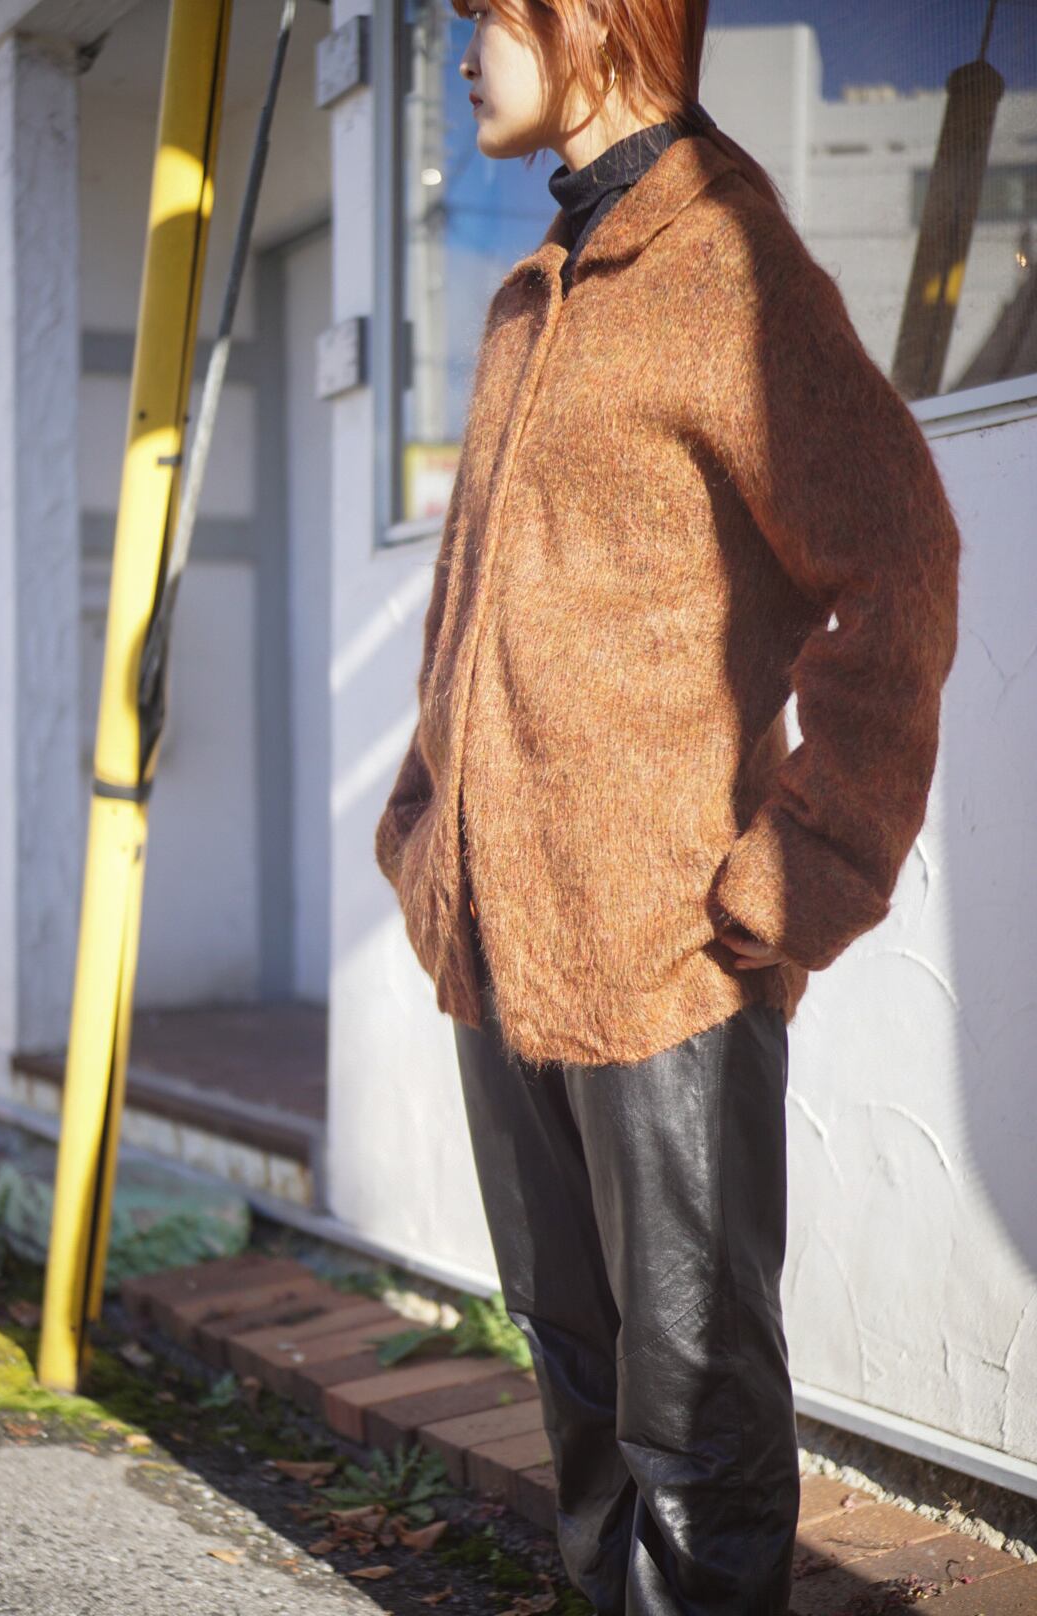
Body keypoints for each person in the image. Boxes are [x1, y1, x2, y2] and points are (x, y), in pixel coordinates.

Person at [374, 2, 961, 1611]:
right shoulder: (532, 294)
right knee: (576, 1380)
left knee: (692, 1421)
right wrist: (426, 822)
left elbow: (900, 564)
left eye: (490, 13)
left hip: (665, 959)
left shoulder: (725, 267)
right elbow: (473, 606)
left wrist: (808, 865)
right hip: (503, 947)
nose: (462, 45)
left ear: (593, 20)